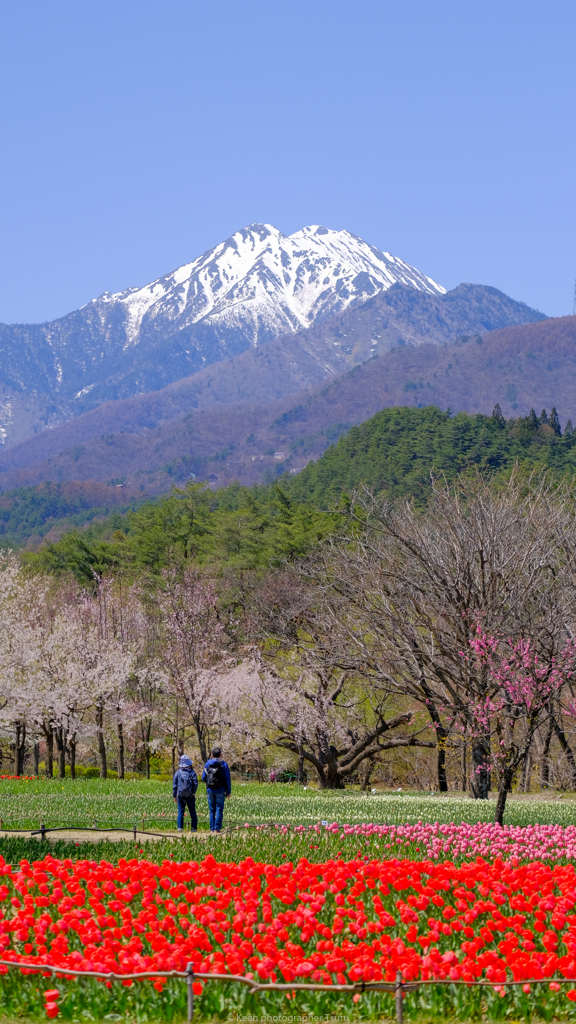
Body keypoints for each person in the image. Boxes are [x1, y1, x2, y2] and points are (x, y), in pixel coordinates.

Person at [201, 746, 231, 833]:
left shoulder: (207, 764)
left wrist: (209, 783)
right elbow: (227, 779)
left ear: (212, 755)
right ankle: (217, 829)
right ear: (221, 755)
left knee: (211, 810)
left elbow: (203, 777)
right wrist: (228, 791)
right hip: (221, 790)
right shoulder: (224, 764)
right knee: (219, 810)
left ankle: (211, 829)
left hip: (210, 790)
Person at [172, 755, 198, 833]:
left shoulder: (178, 773)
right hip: (190, 795)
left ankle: (180, 828)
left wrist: (174, 795)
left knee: (180, 812)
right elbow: (195, 783)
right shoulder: (192, 772)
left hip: (180, 795)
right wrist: (193, 792)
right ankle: (194, 828)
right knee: (192, 811)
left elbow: (174, 785)